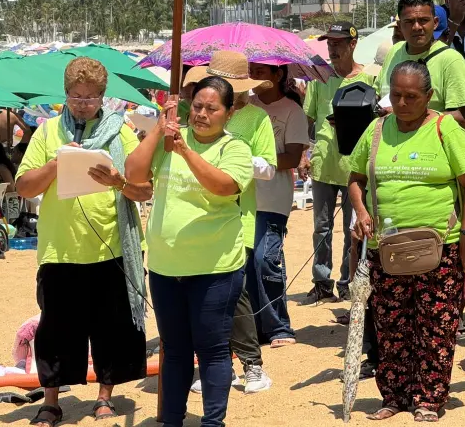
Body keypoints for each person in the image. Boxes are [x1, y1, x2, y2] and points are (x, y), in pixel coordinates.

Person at [15, 57, 151, 426]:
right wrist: (56, 165)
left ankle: (105, 395)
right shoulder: (47, 132)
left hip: (111, 244)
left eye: (91, 97)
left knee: (111, 326)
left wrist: (117, 182)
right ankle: (52, 400)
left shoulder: (120, 130)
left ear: (104, 97)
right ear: (65, 94)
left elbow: (144, 188)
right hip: (61, 248)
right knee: (57, 329)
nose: (82, 103)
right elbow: (23, 186)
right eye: (76, 96)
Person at [348, 61, 465, 422]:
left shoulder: (446, 129)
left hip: (441, 247)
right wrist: (361, 211)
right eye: (396, 95)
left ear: (429, 96)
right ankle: (394, 396)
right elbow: (356, 178)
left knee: (436, 326)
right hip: (387, 247)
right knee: (391, 327)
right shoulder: (376, 130)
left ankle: (429, 398)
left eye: (411, 96)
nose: (403, 103)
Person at [125, 77, 253, 427]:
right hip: (167, 266)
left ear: (228, 113)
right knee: (175, 350)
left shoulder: (234, 149)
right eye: (197, 106)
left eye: (212, 108)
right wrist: (158, 129)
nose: (201, 114)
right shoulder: (169, 139)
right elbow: (133, 174)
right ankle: (171, 421)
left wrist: (185, 151)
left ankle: (213, 422)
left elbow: (225, 186)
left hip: (215, 267)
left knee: (212, 349)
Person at [183, 52, 277, 394]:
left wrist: (232, 154)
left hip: (239, 215)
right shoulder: (196, 115)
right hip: (197, 215)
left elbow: (268, 167)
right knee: (204, 295)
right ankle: (215, 363)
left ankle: (252, 364)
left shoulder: (256, 118)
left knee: (234, 293)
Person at [301, 21, 372, 304]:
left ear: (353, 44)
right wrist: (305, 153)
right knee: (321, 226)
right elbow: (307, 119)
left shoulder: (368, 80)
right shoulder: (319, 79)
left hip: (354, 167)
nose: (332, 48)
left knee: (351, 228)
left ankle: (346, 280)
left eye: (338, 43)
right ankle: (321, 281)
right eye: (329, 43)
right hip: (323, 164)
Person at [249, 62, 310, 347]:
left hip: (273, 198)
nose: (256, 76)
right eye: (252, 71)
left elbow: (293, 158)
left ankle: (278, 327)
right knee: (246, 264)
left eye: (262, 71)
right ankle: (254, 327)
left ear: (278, 75)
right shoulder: (242, 107)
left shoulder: (292, 111)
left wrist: (258, 163)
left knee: (266, 259)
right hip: (241, 200)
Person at [376, 0, 465, 131]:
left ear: (435, 23)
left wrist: (408, 115)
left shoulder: (451, 60)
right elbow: (378, 94)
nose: (416, 27)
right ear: (400, 25)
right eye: (409, 22)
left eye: (423, 20)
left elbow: (463, 120)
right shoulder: (394, 52)